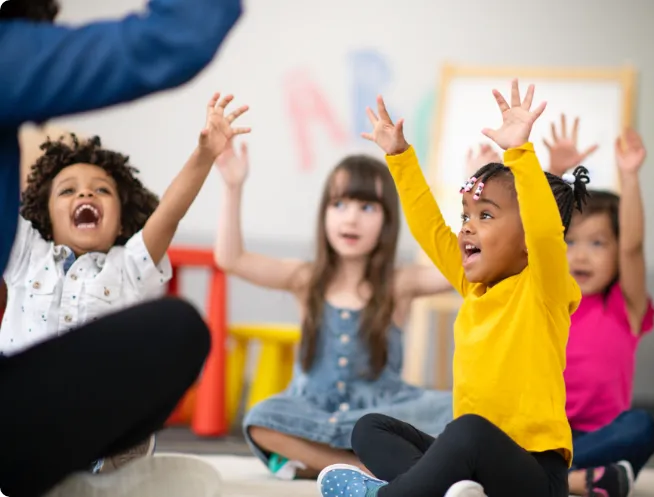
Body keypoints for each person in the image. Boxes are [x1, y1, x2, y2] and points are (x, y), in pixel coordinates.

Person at [0, 0, 242, 495]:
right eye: (67, 191)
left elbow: (169, 212)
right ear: (43, 214)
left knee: (182, 326)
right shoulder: (28, 253)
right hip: (31, 411)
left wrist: (203, 153)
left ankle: (108, 473)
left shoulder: (130, 263)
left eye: (101, 190)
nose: (86, 194)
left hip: (92, 422)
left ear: (121, 213)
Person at [318, 80, 588, 497]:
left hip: (536, 477)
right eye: (466, 214)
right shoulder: (472, 286)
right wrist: (399, 158)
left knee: (468, 433)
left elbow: (546, 234)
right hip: (475, 469)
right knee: (370, 429)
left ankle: (389, 495)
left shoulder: (544, 287)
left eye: (485, 215)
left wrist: (519, 152)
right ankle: (442, 492)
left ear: (526, 238)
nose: (466, 226)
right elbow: (430, 230)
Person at [213, 136, 455, 479]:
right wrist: (232, 186)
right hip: (312, 410)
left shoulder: (399, 283)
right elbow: (231, 258)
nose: (351, 219)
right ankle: (359, 468)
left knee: (462, 410)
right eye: (339, 204)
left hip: (382, 413)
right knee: (261, 418)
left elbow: (462, 269)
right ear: (323, 213)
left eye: (367, 208)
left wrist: (481, 196)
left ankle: (316, 463)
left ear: (387, 221)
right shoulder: (306, 278)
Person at [544, 117, 654, 497]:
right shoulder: (550, 297)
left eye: (597, 243)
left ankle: (535, 477)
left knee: (642, 426)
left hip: (603, 441)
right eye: (571, 242)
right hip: (547, 433)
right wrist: (554, 174)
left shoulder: (625, 305)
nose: (580, 256)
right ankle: (565, 480)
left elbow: (633, 247)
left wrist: (630, 178)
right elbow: (535, 233)